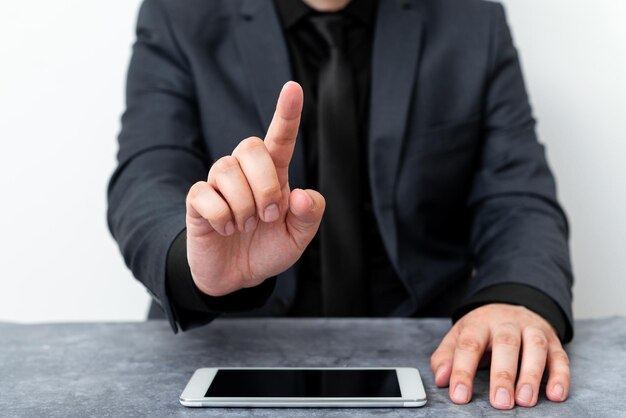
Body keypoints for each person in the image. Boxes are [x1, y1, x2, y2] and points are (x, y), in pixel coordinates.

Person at [108, 0, 574, 410]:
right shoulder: (178, 13)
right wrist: (197, 266)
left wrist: (514, 296)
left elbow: (517, 197)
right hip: (230, 354)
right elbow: (147, 174)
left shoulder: (473, 22)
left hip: (431, 363)